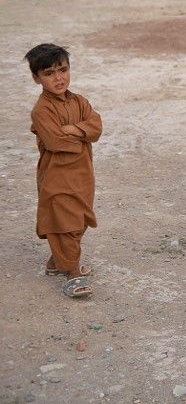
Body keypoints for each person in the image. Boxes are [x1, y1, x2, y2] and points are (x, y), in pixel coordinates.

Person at [25, 43, 103, 299]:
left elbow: (96, 127)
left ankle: (55, 263)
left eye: (63, 70)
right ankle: (72, 273)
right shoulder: (42, 110)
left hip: (82, 175)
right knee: (64, 221)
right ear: (37, 78)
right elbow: (56, 142)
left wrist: (75, 129)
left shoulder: (79, 101)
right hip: (57, 175)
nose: (58, 78)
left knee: (78, 220)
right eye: (49, 73)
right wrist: (81, 133)